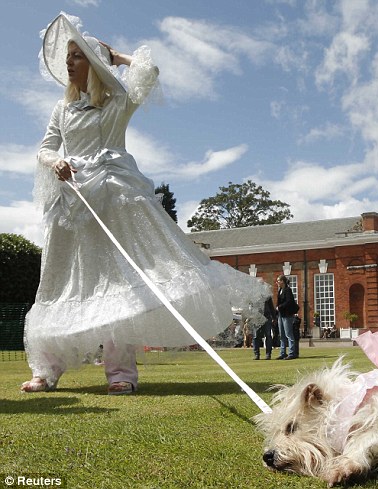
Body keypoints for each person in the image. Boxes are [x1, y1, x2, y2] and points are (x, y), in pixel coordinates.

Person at [21, 13, 269, 395]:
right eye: (67, 56)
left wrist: (113, 55)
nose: (69, 63)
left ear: (92, 62)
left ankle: (120, 374)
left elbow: (148, 71)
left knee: (122, 283)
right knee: (60, 281)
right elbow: (45, 147)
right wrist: (56, 162)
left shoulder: (116, 100)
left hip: (116, 193)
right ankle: (47, 369)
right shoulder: (62, 109)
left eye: (77, 55)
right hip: (72, 202)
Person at [275, 275, 297, 360]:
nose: (277, 282)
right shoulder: (280, 290)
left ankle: (292, 353)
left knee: (289, 334)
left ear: (282, 281)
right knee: (282, 335)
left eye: (278, 281)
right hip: (280, 315)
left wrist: (280, 307)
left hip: (287, 315)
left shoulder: (288, 290)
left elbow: (289, 302)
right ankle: (283, 353)